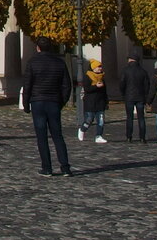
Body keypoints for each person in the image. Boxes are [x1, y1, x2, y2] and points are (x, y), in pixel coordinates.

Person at [22, 37, 74, 177]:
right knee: (57, 135)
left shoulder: (32, 62)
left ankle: (47, 168)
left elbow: (27, 86)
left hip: (38, 102)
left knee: (42, 137)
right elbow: (66, 85)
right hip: (53, 102)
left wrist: (26, 104)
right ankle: (65, 167)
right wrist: (61, 102)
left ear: (37, 48)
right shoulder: (59, 63)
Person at [120, 53, 151, 143]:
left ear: (130, 60)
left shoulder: (125, 70)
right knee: (141, 118)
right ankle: (142, 137)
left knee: (129, 117)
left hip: (129, 96)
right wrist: (145, 95)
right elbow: (147, 85)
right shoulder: (143, 71)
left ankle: (129, 137)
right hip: (140, 97)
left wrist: (123, 94)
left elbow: (122, 83)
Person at [79, 59, 108, 143]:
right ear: (93, 68)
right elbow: (87, 89)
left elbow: (104, 91)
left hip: (100, 103)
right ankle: (82, 129)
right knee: (89, 120)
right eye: (98, 67)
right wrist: (96, 86)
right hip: (90, 103)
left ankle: (99, 136)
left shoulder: (102, 77)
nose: (100, 68)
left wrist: (106, 102)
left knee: (101, 121)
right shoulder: (87, 76)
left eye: (100, 67)